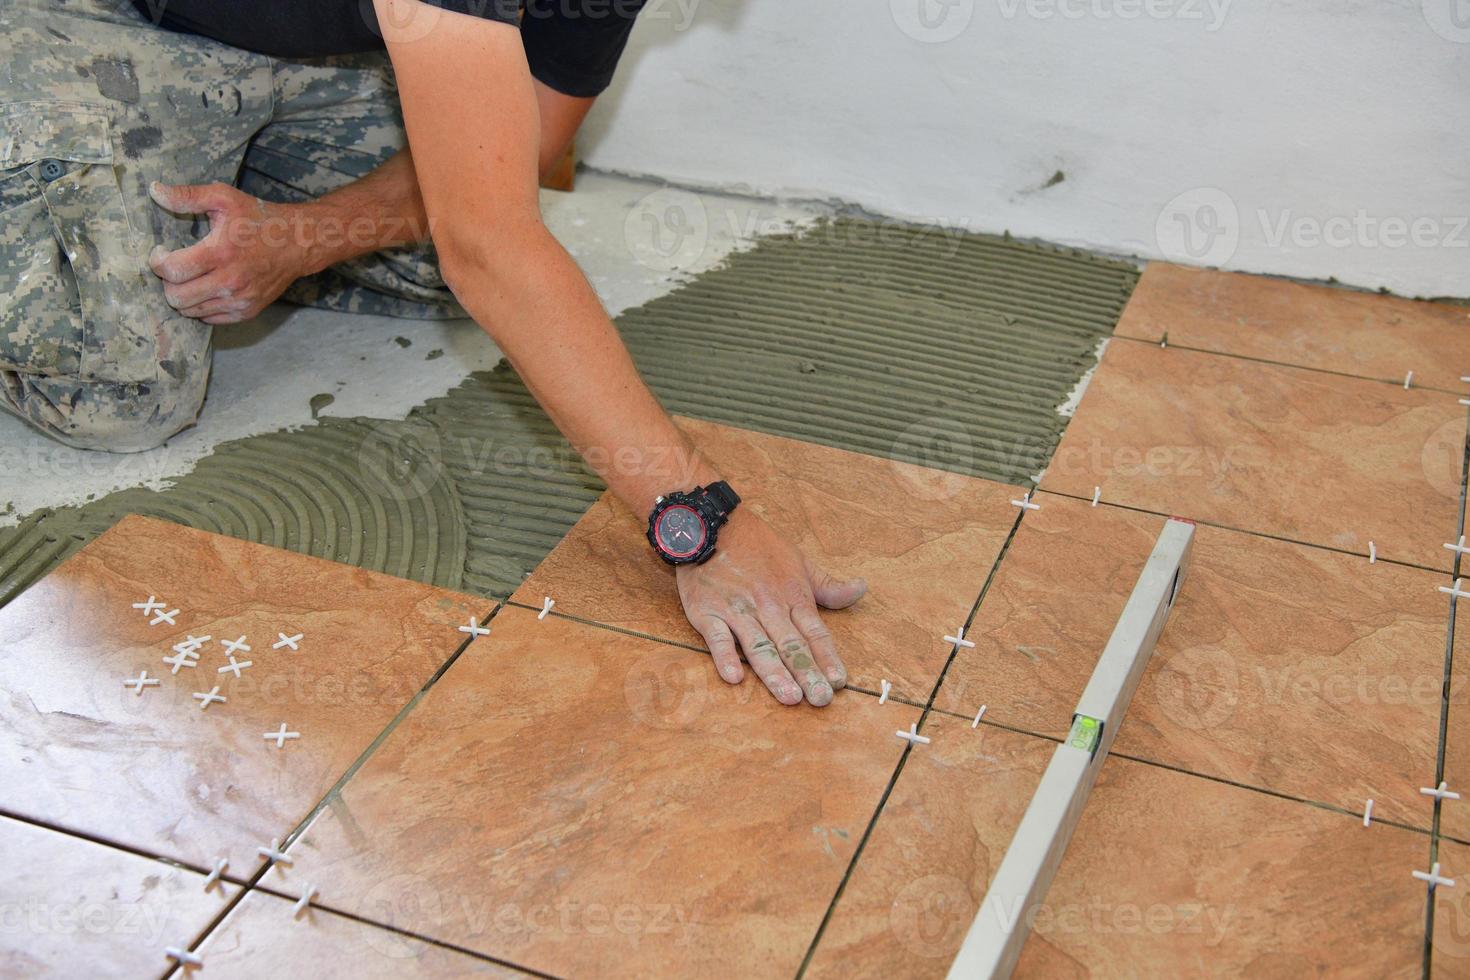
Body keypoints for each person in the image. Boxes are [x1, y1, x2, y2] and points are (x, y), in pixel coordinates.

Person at [0, 0, 867, 707]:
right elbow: (491, 246)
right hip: (91, 25)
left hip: (285, 45)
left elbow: (530, 137)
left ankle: (211, 201)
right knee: (121, 389)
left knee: (455, 232)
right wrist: (699, 523)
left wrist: (298, 239)